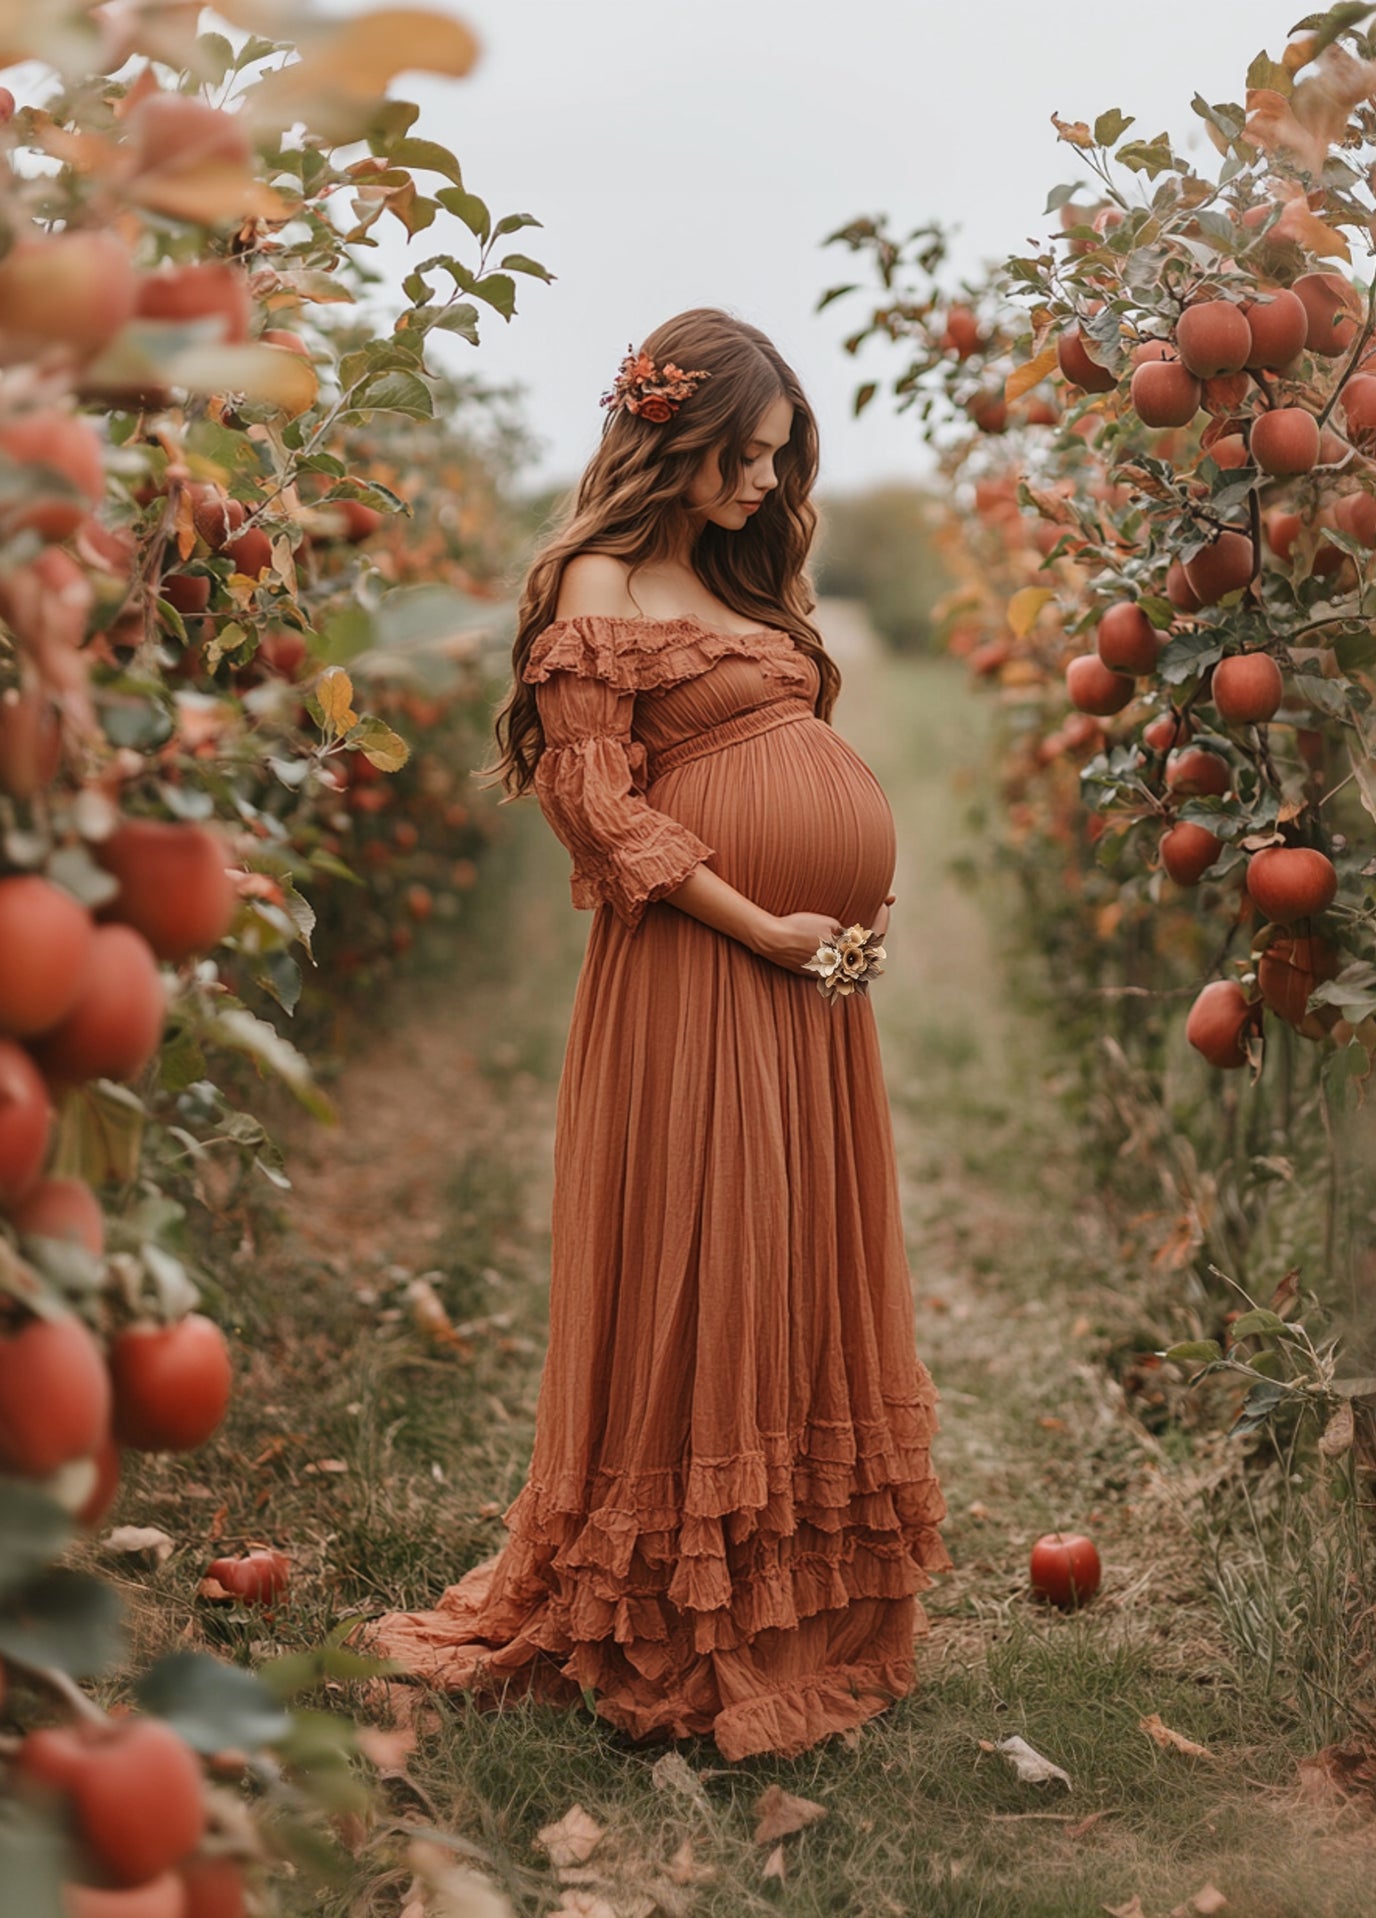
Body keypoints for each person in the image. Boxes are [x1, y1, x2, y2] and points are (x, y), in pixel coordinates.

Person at [365, 308, 952, 1762]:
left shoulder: (741, 575)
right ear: (668, 438)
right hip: (699, 971)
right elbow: (599, 807)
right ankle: (679, 1607)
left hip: (808, 991)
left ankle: (789, 1596)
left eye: (777, 456)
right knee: (713, 1252)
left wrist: (835, 906)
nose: (761, 482)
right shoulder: (595, 579)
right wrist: (761, 922)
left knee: (794, 1254)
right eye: (740, 456)